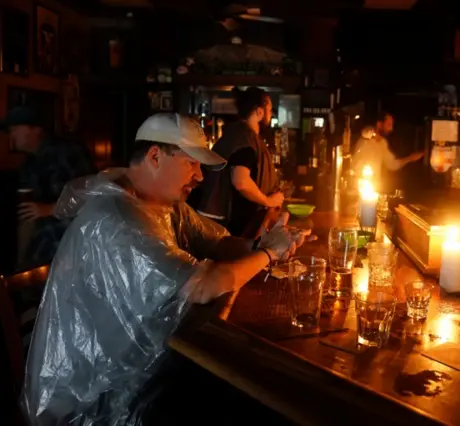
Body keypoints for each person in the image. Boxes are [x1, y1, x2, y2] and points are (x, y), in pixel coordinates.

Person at [21, 113, 311, 425]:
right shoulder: (120, 216)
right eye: (192, 163)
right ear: (155, 156)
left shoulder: (162, 202)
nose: (200, 176)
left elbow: (218, 243)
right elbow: (203, 287)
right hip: (93, 396)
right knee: (241, 400)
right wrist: (270, 252)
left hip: (138, 363)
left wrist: (260, 245)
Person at [4, 106, 94, 270]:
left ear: (36, 129)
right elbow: (27, 217)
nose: (11, 135)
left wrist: (50, 209)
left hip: (78, 248)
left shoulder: (66, 151)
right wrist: (20, 263)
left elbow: (91, 194)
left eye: (15, 129)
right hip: (46, 251)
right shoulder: (28, 166)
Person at [195, 87, 283, 237]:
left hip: (233, 224)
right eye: (269, 109)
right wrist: (268, 201)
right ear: (259, 112)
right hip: (231, 228)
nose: (271, 113)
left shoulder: (238, 134)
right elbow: (240, 181)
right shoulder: (244, 139)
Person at [352, 111, 424, 188]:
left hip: (371, 187)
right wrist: (373, 134)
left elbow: (392, 164)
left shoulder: (382, 143)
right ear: (379, 124)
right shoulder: (364, 138)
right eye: (389, 125)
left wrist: (410, 158)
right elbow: (366, 132)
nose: (391, 129)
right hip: (356, 184)